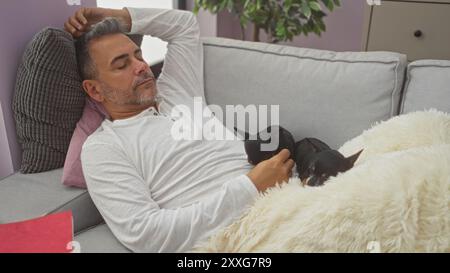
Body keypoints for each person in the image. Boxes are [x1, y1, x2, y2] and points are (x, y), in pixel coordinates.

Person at [65, 7, 294, 252]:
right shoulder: (103, 148)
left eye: (138, 55)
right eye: (122, 65)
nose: (141, 67)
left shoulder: (176, 90)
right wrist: (250, 187)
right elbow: (146, 234)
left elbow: (184, 25)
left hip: (294, 196)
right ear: (95, 90)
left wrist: (118, 17)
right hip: (243, 236)